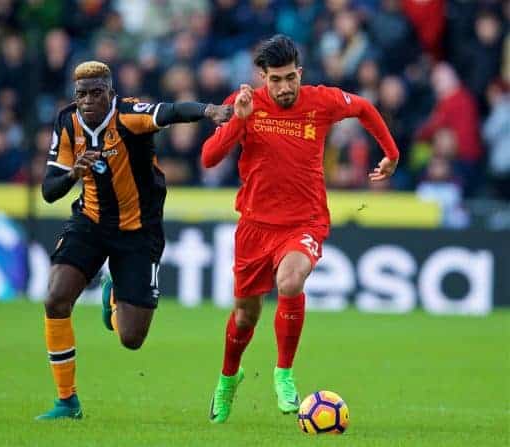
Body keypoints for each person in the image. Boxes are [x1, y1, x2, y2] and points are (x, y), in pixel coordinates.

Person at [201, 35, 399, 423]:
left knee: (291, 281)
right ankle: (228, 379)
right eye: (276, 80)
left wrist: (391, 154)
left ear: (300, 73)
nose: (285, 87)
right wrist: (237, 121)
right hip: (255, 226)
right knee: (245, 317)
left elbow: (364, 108)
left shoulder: (320, 101)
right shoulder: (244, 104)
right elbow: (209, 158)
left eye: (291, 77)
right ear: (262, 78)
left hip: (304, 222)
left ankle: (284, 373)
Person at [37, 60, 232, 420]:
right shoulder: (67, 122)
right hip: (90, 222)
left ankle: (113, 285)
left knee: (131, 338)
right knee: (55, 297)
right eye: (82, 94)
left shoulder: (128, 114)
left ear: (110, 92)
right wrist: (73, 175)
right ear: (74, 96)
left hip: (139, 230)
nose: (89, 100)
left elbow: (171, 112)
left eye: (97, 92)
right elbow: (49, 190)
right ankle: (67, 401)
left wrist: (209, 111)